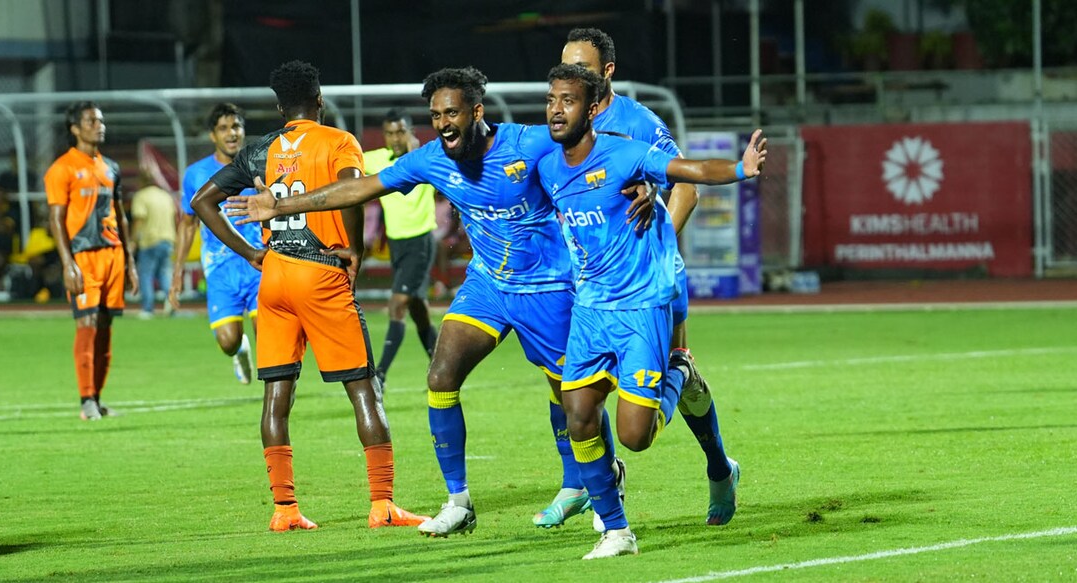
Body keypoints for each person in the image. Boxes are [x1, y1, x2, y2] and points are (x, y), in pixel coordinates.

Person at [225, 67, 652, 537]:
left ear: (476, 111)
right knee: (441, 375)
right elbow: (363, 187)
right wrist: (281, 207)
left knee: (574, 400)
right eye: (435, 115)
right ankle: (459, 501)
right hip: (487, 285)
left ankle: (599, 482)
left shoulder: (528, 143)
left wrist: (638, 179)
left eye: (452, 113)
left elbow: (595, 144)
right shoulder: (431, 159)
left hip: (546, 286)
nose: (443, 122)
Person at [537, 64, 765, 558]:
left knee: (635, 435)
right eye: (551, 98)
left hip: (645, 298)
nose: (557, 107)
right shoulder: (546, 157)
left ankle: (680, 377)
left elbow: (690, 174)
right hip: (591, 306)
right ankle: (617, 530)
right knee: (578, 413)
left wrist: (739, 169)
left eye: (568, 98)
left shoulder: (631, 141)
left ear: (594, 101)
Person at [189, 60, 427, 532]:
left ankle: (285, 510)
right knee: (365, 388)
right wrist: (354, 250)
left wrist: (251, 253)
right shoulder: (338, 140)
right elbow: (352, 192)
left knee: (277, 396)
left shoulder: (262, 149)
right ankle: (382, 504)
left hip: (274, 275)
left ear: (280, 107)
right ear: (319, 100)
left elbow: (202, 202)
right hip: (321, 272)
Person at [563, 27, 741, 527]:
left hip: (652, 282)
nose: (571, 77)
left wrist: (657, 230)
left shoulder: (637, 122)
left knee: (665, 383)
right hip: (594, 289)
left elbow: (685, 185)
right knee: (584, 389)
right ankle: (607, 485)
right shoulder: (564, 123)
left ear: (606, 72)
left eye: (581, 68)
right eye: (565, 66)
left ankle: (718, 468)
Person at [44, 100, 139, 420]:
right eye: (91, 121)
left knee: (105, 328)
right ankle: (85, 400)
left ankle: (97, 398)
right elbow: (56, 219)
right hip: (83, 257)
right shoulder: (62, 168)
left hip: (113, 255)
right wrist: (67, 263)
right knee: (86, 325)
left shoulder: (110, 167)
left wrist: (130, 262)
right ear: (74, 128)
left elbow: (121, 216)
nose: (100, 125)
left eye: (100, 120)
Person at [169, 103, 259, 383]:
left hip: (259, 261)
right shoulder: (196, 174)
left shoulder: (259, 165)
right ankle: (240, 351)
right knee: (228, 341)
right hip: (220, 267)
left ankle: (280, 390)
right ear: (212, 136)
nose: (231, 134)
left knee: (268, 336)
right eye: (223, 128)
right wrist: (178, 273)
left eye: (236, 127)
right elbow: (187, 224)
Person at [362, 108, 439, 383]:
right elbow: (345, 165)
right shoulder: (377, 160)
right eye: (390, 133)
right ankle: (441, 364)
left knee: (397, 305)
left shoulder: (425, 158)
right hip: (397, 245)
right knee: (419, 311)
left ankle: (379, 375)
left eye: (400, 132)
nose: (395, 138)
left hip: (421, 241)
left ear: (410, 132)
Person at [131, 174, 176, 319]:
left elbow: (139, 218)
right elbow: (174, 217)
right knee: (164, 273)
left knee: (146, 274)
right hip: (168, 238)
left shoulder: (141, 196)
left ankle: (147, 308)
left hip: (150, 239)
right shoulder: (165, 196)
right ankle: (171, 303)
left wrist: (133, 241)